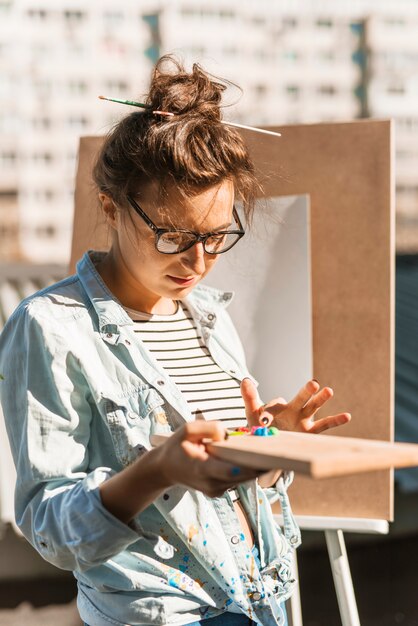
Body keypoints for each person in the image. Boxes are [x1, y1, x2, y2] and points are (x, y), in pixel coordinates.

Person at [0, 56, 350, 626]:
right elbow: (47, 525)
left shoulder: (208, 316)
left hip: (261, 601)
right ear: (111, 208)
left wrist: (265, 448)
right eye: (173, 235)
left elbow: (212, 471)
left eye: (216, 237)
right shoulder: (51, 326)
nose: (197, 261)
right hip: (160, 612)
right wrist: (154, 470)